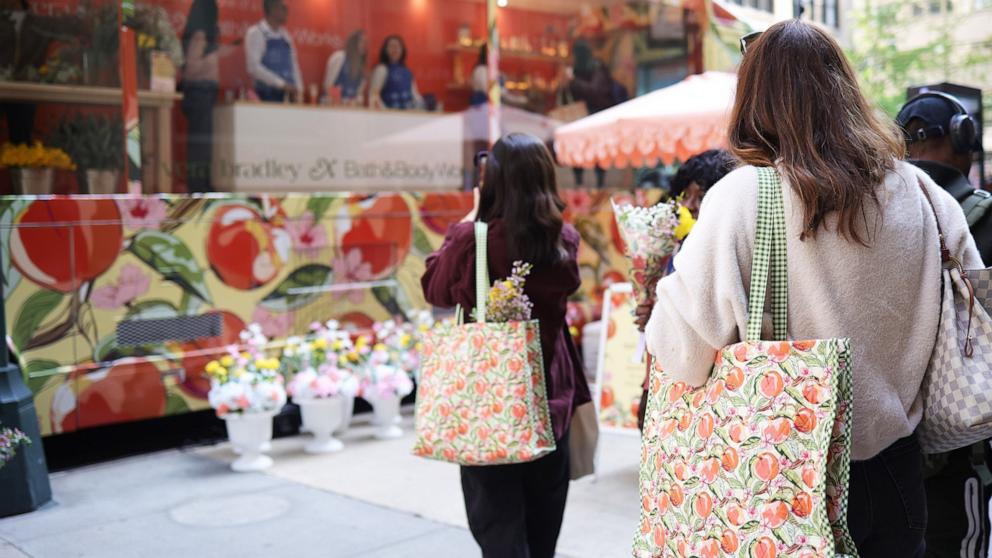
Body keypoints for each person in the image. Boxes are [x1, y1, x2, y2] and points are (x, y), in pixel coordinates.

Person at [642, 20, 981, 557]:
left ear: (755, 99)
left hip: (779, 476)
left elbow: (680, 353)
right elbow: (970, 315)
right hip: (900, 471)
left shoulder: (744, 196)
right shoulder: (923, 193)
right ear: (845, 89)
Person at [421, 133, 591, 558]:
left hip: (489, 403)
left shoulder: (474, 240)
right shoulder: (563, 241)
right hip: (550, 402)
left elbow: (435, 289)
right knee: (543, 528)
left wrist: (472, 218)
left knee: (498, 529)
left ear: (491, 180)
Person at [897, 92, 992, 558]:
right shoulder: (984, 216)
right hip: (962, 443)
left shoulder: (872, 214)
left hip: (884, 444)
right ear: (963, 137)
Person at [633, 148, 737, 430]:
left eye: (700, 196)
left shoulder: (720, 253)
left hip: (699, 382)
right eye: (685, 195)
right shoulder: (677, 244)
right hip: (662, 374)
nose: (689, 205)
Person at [0, 0, 83, 143]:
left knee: (21, 140)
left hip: (27, 91)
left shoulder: (39, 23)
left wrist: (84, 9)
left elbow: (73, 27)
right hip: (3, 88)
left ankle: (21, 162)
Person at [181, 0, 238, 193]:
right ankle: (198, 188)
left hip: (205, 93)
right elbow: (191, 68)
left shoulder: (204, 37)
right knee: (200, 147)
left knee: (204, 146)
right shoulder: (200, 36)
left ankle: (202, 186)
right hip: (200, 93)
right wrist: (212, 56)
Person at [562, 40, 626, 188]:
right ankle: (578, 182)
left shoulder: (597, 67)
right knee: (577, 151)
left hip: (597, 117)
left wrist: (573, 81)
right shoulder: (574, 70)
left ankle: (600, 184)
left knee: (598, 153)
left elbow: (594, 91)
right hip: (579, 118)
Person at [245, 0, 302, 102]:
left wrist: (299, 90)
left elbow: (294, 65)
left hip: (289, 98)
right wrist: (281, 84)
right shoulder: (256, 33)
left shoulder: (286, 36)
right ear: (272, 10)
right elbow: (253, 67)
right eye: (283, 8)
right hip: (266, 97)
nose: (287, 11)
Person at [370, 35, 422, 110]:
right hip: (389, 117)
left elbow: (415, 95)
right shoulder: (381, 69)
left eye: (398, 46)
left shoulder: (407, 72)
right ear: (385, 50)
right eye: (391, 46)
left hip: (408, 116)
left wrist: (422, 104)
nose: (395, 49)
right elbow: (374, 96)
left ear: (402, 50)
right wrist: (387, 114)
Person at [470, 44, 528, 108]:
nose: (499, 56)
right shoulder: (480, 70)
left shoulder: (493, 69)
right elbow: (490, 91)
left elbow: (504, 79)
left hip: (495, 105)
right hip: (482, 106)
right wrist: (508, 93)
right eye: (497, 53)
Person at [322, 30, 367, 106]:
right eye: (361, 42)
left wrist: (356, 102)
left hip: (350, 107)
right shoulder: (339, 57)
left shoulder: (362, 66)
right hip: (333, 106)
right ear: (353, 43)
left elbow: (359, 92)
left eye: (365, 42)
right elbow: (328, 85)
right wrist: (338, 102)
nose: (364, 45)